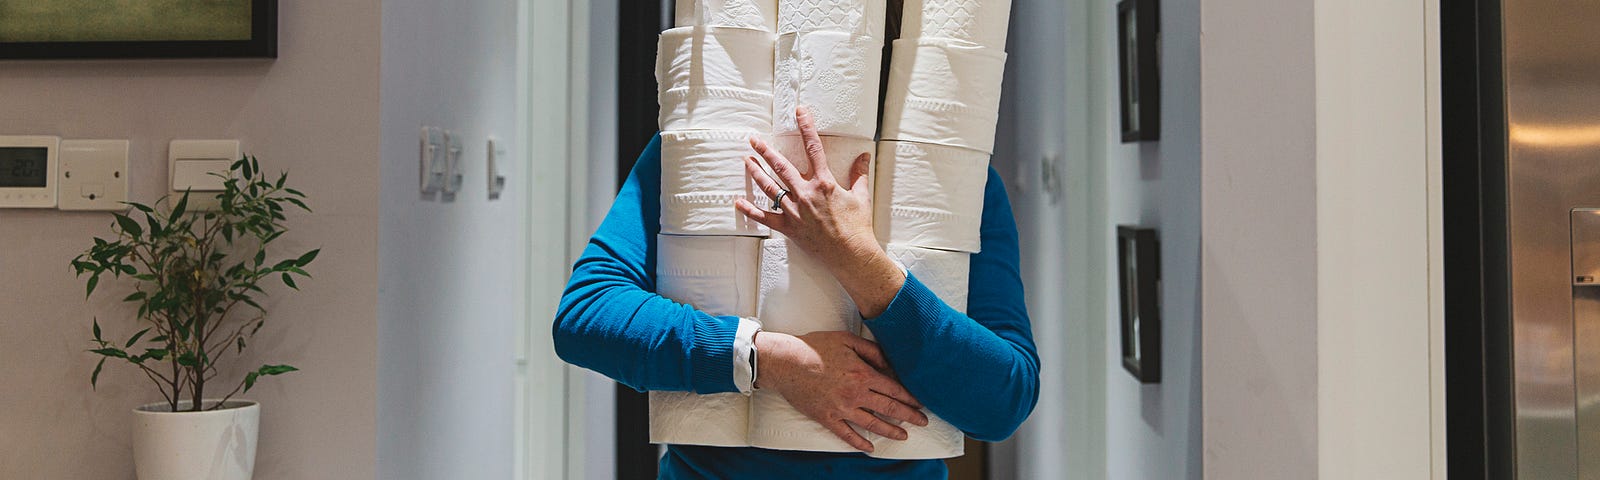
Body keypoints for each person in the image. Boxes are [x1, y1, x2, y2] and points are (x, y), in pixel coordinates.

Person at [554, 107, 1040, 479]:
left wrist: (855, 258)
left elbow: (1005, 400)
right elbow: (586, 314)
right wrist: (769, 361)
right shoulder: (698, 153)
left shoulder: (958, 184)